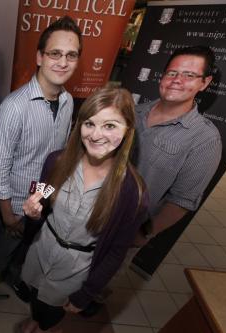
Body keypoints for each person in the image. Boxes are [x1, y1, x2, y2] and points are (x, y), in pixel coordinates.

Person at [0, 16, 83, 320]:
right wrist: (8, 216)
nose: (63, 62)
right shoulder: (14, 107)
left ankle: (12, 276)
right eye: (55, 53)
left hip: (45, 199)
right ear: (40, 57)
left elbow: (58, 154)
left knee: (24, 251)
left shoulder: (69, 101)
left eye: (71, 55)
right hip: (15, 206)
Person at [20, 86, 148, 333]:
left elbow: (116, 252)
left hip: (75, 270)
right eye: (89, 124)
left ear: (128, 130)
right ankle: (36, 320)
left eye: (110, 126)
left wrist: (86, 294)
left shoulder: (133, 193)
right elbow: (44, 194)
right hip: (41, 251)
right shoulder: (56, 161)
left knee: (52, 313)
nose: (96, 135)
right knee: (35, 297)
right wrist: (34, 210)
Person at [133, 46, 222, 245]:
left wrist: (144, 234)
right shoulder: (133, 111)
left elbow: (183, 200)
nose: (177, 80)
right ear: (162, 76)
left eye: (189, 75)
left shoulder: (205, 139)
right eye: (172, 73)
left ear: (204, 83)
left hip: (127, 233)